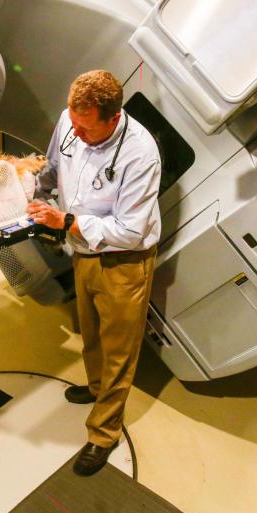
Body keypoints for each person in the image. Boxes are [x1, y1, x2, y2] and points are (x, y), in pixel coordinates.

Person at [27, 69, 161, 477]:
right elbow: (51, 167)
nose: (78, 134)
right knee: (90, 329)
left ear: (114, 118)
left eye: (88, 130)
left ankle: (104, 434)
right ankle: (97, 388)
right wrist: (25, 193)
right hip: (81, 248)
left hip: (124, 261)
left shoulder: (140, 153)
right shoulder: (72, 120)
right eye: (74, 123)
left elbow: (130, 231)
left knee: (119, 349)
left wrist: (64, 220)